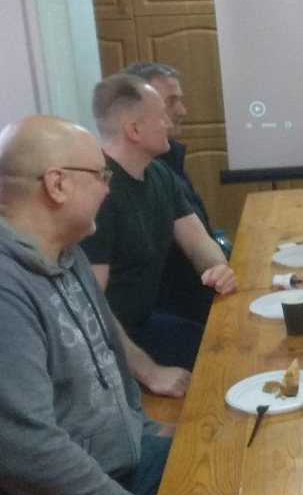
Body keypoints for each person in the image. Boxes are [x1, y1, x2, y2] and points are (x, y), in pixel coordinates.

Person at [0, 115, 173, 495]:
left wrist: (143, 429)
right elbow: (28, 456)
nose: (108, 188)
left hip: (114, 469)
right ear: (56, 184)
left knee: (233, 463)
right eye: (101, 176)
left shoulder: (63, 247)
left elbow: (107, 361)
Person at [82, 73, 237, 371]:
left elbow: (198, 243)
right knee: (218, 367)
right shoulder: (98, 194)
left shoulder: (159, 173)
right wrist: (151, 373)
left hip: (145, 322)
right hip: (111, 343)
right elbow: (91, 306)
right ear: (134, 130)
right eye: (160, 117)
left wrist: (218, 269)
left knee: (230, 344)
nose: (169, 124)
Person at [123, 61, 220, 323]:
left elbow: (199, 243)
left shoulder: (164, 167)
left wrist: (221, 270)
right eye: (170, 102)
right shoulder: (116, 185)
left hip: (200, 294)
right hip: (175, 313)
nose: (182, 111)